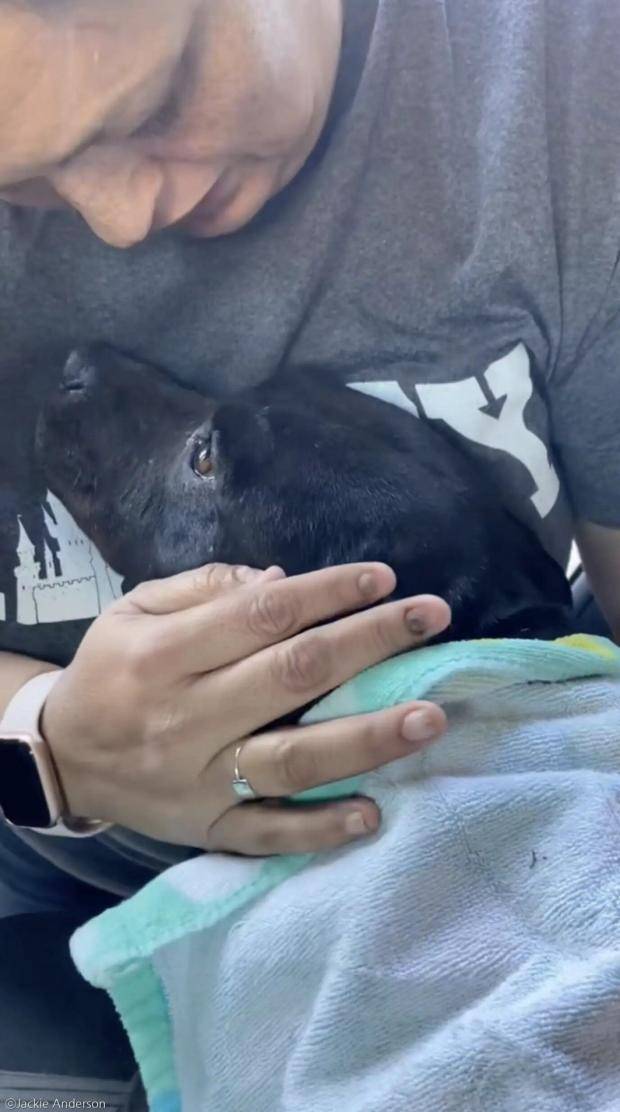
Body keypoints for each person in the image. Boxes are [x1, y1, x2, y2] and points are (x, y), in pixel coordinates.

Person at [0, 0, 619, 1095]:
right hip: (56, 889)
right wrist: (46, 742)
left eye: (159, 98)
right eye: (24, 180)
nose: (120, 217)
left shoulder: (563, 84)